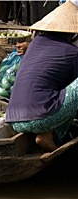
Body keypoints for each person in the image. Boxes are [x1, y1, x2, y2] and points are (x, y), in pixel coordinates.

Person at [5, 0, 78, 151]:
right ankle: (52, 136)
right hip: (39, 119)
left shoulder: (35, 44)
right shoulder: (73, 53)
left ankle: (48, 134)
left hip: (13, 119)